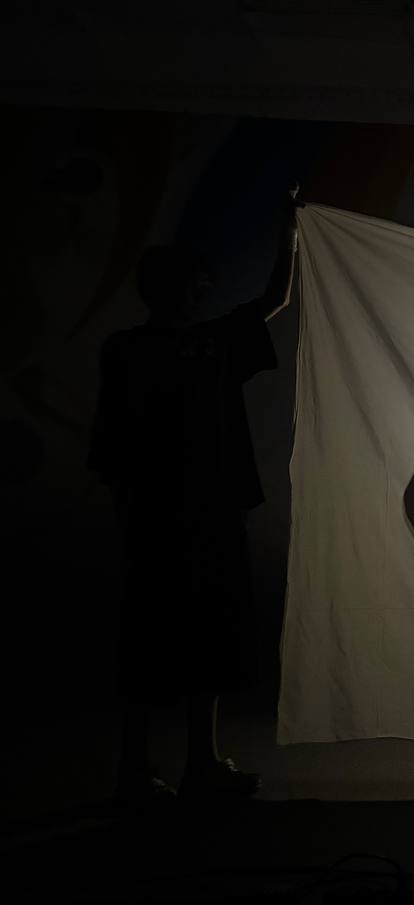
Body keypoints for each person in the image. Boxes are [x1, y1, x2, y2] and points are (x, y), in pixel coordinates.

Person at [89, 187, 300, 806]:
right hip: (165, 513)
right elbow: (115, 440)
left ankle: (190, 763)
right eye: (193, 281)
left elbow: (275, 299)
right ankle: (143, 768)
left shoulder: (198, 343)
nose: (202, 289)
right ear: (170, 289)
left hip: (206, 511)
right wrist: (128, 515)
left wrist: (289, 230)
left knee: (204, 635)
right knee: (156, 640)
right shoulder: (138, 349)